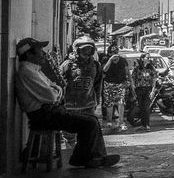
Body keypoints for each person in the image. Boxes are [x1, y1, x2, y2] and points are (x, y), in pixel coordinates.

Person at [15, 37, 120, 169]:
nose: (43, 53)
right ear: (29, 54)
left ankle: (94, 156)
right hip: (45, 114)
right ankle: (81, 158)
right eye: (39, 50)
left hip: (53, 111)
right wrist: (56, 92)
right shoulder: (29, 72)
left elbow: (54, 87)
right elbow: (52, 95)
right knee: (89, 123)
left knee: (92, 121)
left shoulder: (34, 70)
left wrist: (55, 90)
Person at [61, 36, 102, 121]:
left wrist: (97, 101)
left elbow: (97, 85)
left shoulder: (96, 65)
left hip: (89, 106)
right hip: (70, 107)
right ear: (77, 50)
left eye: (89, 50)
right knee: (69, 133)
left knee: (87, 132)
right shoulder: (67, 65)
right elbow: (59, 84)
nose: (87, 53)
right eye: (84, 50)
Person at [101, 44, 130, 130]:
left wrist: (130, 84)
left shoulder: (123, 60)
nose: (115, 54)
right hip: (108, 84)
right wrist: (110, 60)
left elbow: (127, 73)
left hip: (121, 84)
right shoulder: (105, 59)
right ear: (109, 53)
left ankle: (121, 122)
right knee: (109, 103)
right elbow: (104, 69)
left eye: (116, 52)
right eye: (113, 53)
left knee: (121, 102)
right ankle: (109, 121)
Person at [130, 52, 158, 131]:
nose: (149, 59)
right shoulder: (137, 68)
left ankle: (147, 125)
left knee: (146, 107)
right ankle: (143, 125)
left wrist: (153, 91)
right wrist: (133, 89)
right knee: (141, 107)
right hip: (139, 89)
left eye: (149, 58)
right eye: (147, 58)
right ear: (142, 59)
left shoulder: (151, 68)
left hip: (148, 89)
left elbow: (154, 80)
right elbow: (132, 78)